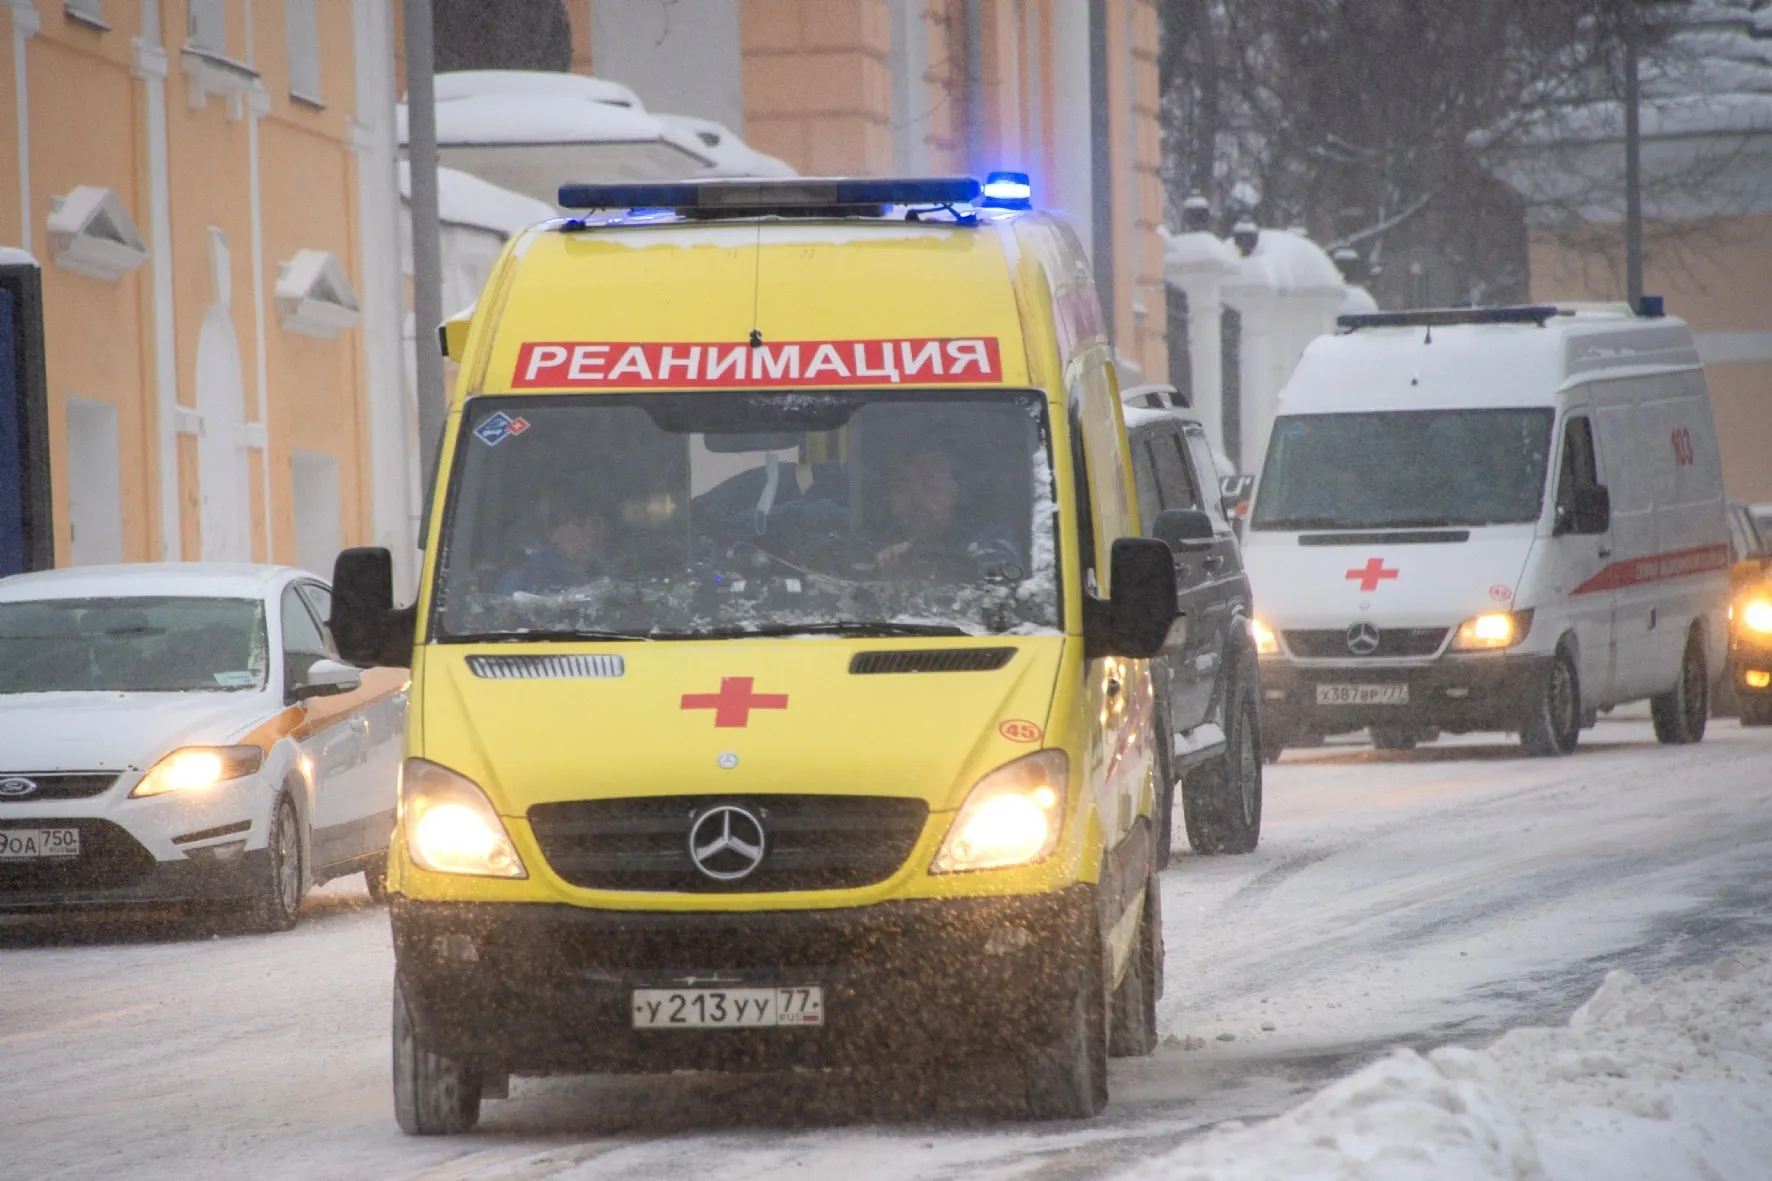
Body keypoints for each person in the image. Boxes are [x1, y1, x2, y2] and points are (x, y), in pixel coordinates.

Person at [870, 446, 1022, 574]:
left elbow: (1000, 580)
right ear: (889, 497)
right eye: (903, 487)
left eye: (929, 485)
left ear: (953, 492)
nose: (916, 498)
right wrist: (882, 569)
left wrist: (928, 564)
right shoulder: (871, 542)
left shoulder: (990, 538)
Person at [498, 496, 615, 594]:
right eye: (579, 524)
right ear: (552, 532)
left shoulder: (610, 578)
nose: (591, 532)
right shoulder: (525, 577)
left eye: (595, 523)